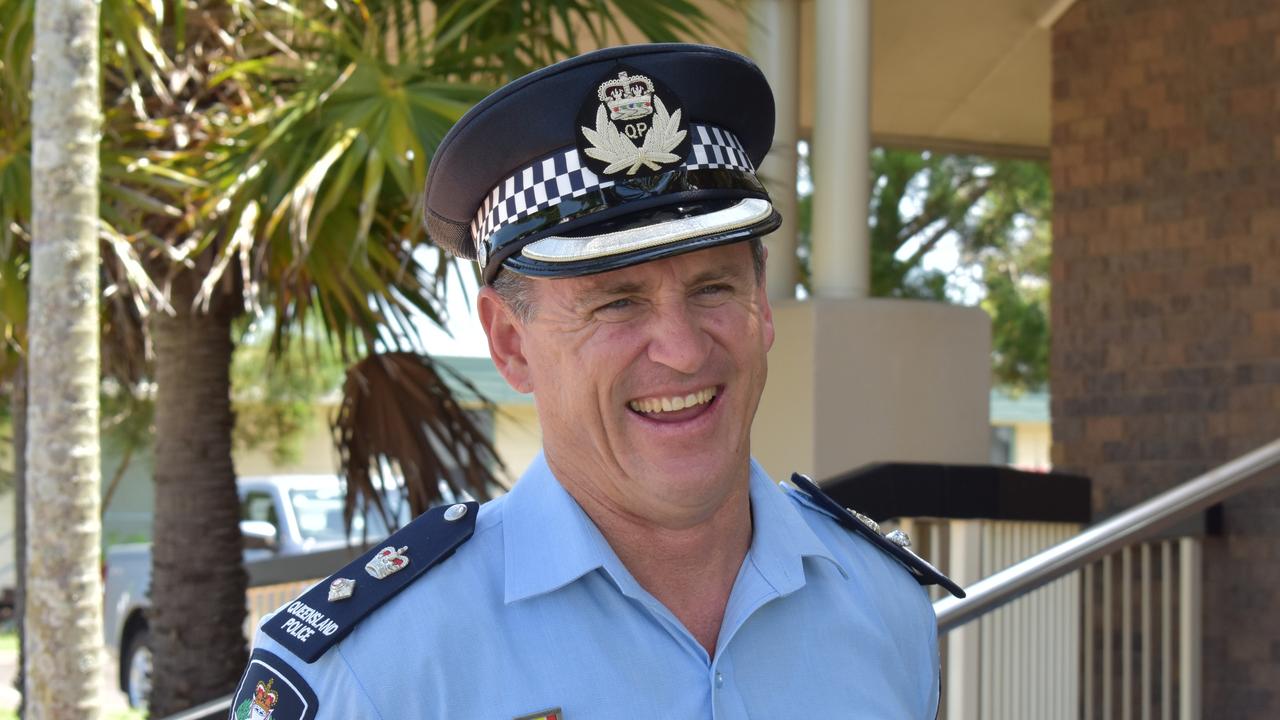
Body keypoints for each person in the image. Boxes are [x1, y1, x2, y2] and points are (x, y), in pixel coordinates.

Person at [229, 43, 962, 720]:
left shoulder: (885, 608)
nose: (680, 351)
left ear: (762, 304)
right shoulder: (372, 674)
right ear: (510, 343)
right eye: (617, 301)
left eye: (712, 287)